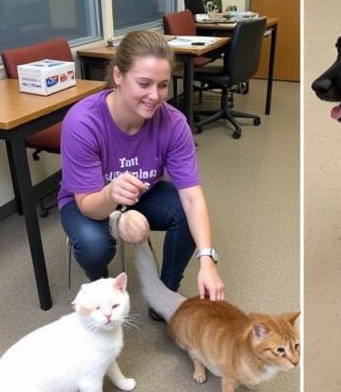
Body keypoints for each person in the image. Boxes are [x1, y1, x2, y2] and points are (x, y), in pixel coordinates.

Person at [58, 29, 224, 314]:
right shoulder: (82, 122)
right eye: (144, 83)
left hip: (142, 193)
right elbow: (87, 206)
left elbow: (193, 197)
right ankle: (100, 287)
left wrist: (207, 259)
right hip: (91, 200)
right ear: (119, 76)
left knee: (185, 212)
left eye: (163, 85)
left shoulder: (173, 123)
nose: (154, 96)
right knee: (94, 245)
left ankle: (165, 294)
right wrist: (111, 193)